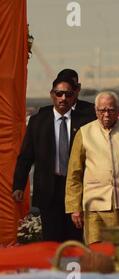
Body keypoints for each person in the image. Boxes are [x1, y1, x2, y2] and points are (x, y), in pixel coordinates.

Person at [12, 77, 94, 242]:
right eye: (59, 94)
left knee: (74, 238)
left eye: (68, 94)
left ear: (74, 97)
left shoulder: (85, 121)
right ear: (52, 95)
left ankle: (74, 268)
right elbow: (27, 155)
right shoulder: (38, 121)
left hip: (75, 188)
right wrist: (19, 185)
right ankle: (54, 268)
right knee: (51, 238)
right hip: (48, 188)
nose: (63, 98)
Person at [65, 91, 119, 244]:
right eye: (102, 110)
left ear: (118, 109)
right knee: (96, 250)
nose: (106, 114)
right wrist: (74, 207)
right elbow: (74, 174)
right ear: (96, 111)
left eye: (111, 110)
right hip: (94, 206)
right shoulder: (84, 132)